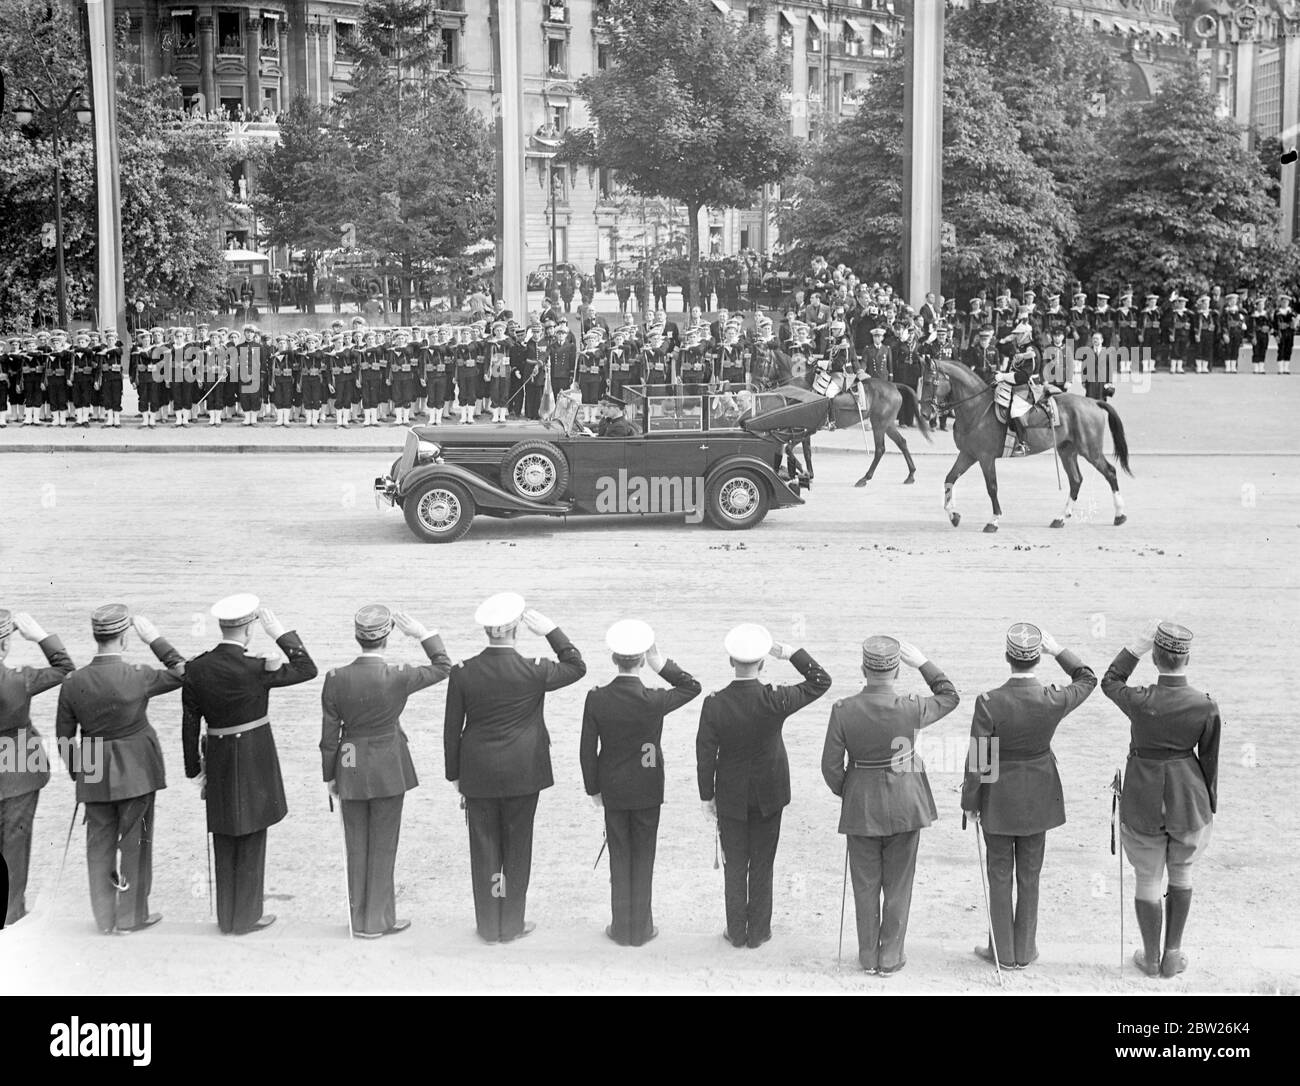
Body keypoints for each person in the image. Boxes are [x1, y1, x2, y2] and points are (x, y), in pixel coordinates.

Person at [444, 594, 586, 943]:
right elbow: (576, 666)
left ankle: (489, 924)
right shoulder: (534, 669)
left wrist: (454, 775)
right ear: (515, 630)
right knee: (517, 847)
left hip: (478, 771)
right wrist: (552, 631)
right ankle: (511, 923)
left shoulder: (463, 671)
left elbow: (451, 729)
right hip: (524, 771)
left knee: (485, 849)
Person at [961, 623, 1097, 969]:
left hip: (998, 797)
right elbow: (1087, 678)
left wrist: (971, 804)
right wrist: (1059, 650)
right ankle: (1024, 951)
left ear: (1007, 657)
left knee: (999, 875)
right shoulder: (1052, 697)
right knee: (1030, 875)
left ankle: (1002, 952)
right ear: (1038, 659)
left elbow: (980, 758)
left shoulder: (990, 701)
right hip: (1039, 795)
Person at [821, 636, 958, 975]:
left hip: (862, 807)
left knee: (865, 885)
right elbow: (950, 696)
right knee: (898, 885)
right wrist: (924, 662)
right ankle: (890, 956)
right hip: (905, 805)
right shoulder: (911, 706)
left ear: (863, 668)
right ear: (896, 670)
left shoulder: (843, 709)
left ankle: (868, 957)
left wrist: (851, 792)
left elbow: (830, 766)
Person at [181, 595, 317, 935]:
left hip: (218, 754)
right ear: (249, 628)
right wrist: (281, 634)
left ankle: (227, 916)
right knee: (253, 832)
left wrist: (194, 768)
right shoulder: (257, 667)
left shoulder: (197, 667)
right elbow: (307, 669)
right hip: (254, 754)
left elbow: (189, 723)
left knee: (224, 831)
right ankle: (247, 916)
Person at [697, 624, 831, 949]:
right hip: (769, 794)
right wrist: (790, 652)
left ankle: (736, 931)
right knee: (762, 863)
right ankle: (758, 932)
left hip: (730, 795)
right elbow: (820, 681)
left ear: (731, 662)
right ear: (762, 665)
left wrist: (707, 797)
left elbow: (704, 754)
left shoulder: (714, 703)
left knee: (734, 865)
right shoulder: (775, 698)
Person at [320, 606, 450, 938]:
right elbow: (443, 667)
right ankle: (377, 921)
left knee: (356, 845)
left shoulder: (336, 677)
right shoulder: (398, 676)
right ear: (386, 639)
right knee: (383, 845)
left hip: (350, 760)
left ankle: (360, 918)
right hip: (388, 765)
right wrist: (422, 633)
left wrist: (332, 776)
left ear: (356, 636)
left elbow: (330, 737)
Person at [56, 606, 186, 935]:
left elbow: (64, 737)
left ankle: (105, 919)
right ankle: (130, 918)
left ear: (95, 636)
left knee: (98, 846)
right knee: (135, 845)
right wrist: (156, 640)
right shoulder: (138, 674)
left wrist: (79, 773)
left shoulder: (73, 682)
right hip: (137, 771)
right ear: (125, 638)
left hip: (94, 772)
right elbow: (185, 671)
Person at [1102, 621, 1220, 979]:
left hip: (1142, 796)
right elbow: (1210, 761)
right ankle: (1172, 954)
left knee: (1147, 877)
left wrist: (1133, 648)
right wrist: (1208, 803)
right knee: (1182, 872)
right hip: (1188, 798)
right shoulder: (1204, 705)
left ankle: (1150, 957)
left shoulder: (1141, 700)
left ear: (1155, 658)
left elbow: (1110, 681)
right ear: (1188, 657)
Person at [580, 620, 701, 946]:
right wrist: (659, 662)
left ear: (613, 659)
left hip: (613, 788)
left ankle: (622, 928)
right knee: (643, 859)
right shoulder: (653, 698)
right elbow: (692, 686)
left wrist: (593, 790)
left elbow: (587, 750)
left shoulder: (597, 698)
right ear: (641, 660)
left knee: (619, 859)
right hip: (647, 787)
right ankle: (642, 928)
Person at [0, 609, 73, 925]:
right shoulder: (19, 679)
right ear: (4, 645)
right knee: (15, 844)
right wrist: (41, 636)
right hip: (19, 769)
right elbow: (65, 668)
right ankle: (12, 913)